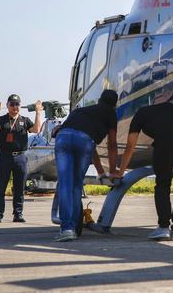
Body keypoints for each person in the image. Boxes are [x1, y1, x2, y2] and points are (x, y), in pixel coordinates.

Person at [114, 101, 173, 241]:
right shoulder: (172, 109)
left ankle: (163, 228)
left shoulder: (140, 114)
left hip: (166, 137)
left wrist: (120, 171)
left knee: (163, 182)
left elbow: (130, 146)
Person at [53, 89, 119, 242]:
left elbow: (89, 144)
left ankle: (68, 229)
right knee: (76, 186)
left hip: (63, 137)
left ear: (99, 100)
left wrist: (101, 171)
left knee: (65, 185)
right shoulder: (110, 114)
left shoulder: (81, 111)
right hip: (85, 142)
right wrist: (113, 171)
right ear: (114, 105)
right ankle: (74, 228)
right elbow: (111, 144)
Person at [0, 94, 42, 223]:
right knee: (0, 187)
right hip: (4, 156)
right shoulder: (2, 119)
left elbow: (36, 129)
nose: (15, 107)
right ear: (7, 106)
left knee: (19, 187)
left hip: (20, 157)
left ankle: (17, 214)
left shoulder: (24, 120)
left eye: (17, 104)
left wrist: (38, 113)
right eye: (12, 104)